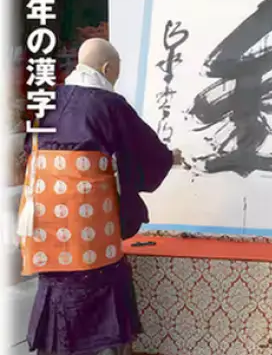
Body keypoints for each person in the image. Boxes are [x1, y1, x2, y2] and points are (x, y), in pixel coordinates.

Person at [18, 38, 182, 355]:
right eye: (116, 71)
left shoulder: (47, 99)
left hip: (44, 221)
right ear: (107, 69)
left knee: (57, 282)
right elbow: (145, 153)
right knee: (97, 281)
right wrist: (168, 158)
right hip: (86, 225)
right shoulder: (110, 104)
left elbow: (30, 148)